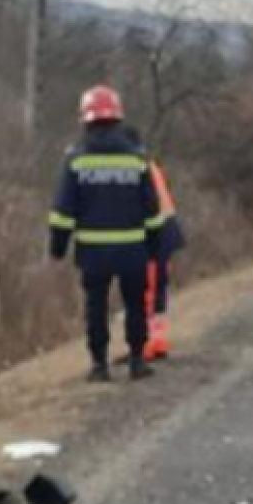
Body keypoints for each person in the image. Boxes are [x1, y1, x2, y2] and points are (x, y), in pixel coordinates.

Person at [48, 85, 163, 383]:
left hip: (93, 251)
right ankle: (138, 361)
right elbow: (152, 208)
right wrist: (154, 246)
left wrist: (58, 247)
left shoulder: (76, 158)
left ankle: (99, 365)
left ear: (85, 118)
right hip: (133, 249)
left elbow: (62, 211)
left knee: (95, 307)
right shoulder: (138, 157)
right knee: (136, 303)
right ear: (118, 117)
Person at [144, 157, 185, 359]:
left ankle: (148, 344)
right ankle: (158, 341)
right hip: (167, 231)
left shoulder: (138, 167)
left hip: (155, 234)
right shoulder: (151, 165)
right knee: (158, 289)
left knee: (149, 291)